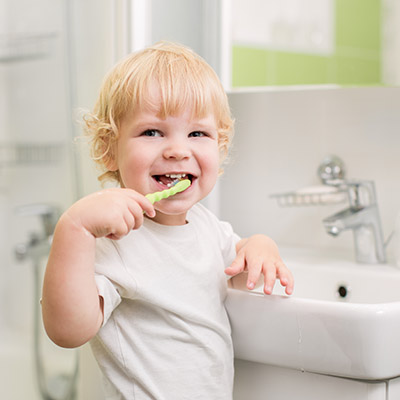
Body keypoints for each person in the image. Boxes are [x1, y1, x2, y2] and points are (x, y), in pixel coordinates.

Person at [42, 41, 294, 399]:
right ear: (108, 149)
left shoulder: (207, 227)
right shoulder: (114, 240)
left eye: (197, 133)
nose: (178, 149)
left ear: (218, 146)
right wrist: (74, 229)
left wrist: (260, 245)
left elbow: (237, 268)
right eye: (152, 132)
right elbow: (67, 331)